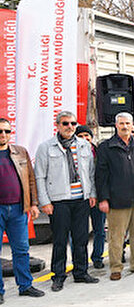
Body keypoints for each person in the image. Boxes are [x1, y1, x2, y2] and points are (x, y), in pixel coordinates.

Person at [34, 111, 98, 291]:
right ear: (58, 126)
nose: (70, 127)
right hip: (59, 201)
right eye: (65, 123)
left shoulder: (84, 146)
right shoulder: (46, 148)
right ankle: (58, 276)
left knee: (81, 239)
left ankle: (81, 272)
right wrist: (44, 201)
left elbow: (91, 172)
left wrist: (92, 193)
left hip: (81, 200)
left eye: (73, 123)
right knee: (60, 240)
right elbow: (40, 176)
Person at [96, 112, 134, 281]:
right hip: (116, 200)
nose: (125, 126)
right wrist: (103, 198)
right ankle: (116, 267)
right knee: (116, 236)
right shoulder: (106, 147)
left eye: (128, 123)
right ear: (116, 126)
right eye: (121, 123)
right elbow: (101, 175)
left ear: (132, 125)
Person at [0, 117, 45, 303]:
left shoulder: (20, 152)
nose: (3, 135)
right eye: (0, 131)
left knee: (21, 249)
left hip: (18, 209)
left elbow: (31, 179)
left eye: (6, 131)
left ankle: (25, 285)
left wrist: (34, 204)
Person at [74, 124, 106, 269]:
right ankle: (80, 261)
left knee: (99, 230)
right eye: (80, 136)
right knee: (79, 232)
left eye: (87, 136)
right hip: (80, 198)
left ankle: (97, 257)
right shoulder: (73, 153)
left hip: (98, 197)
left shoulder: (101, 152)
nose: (84, 139)